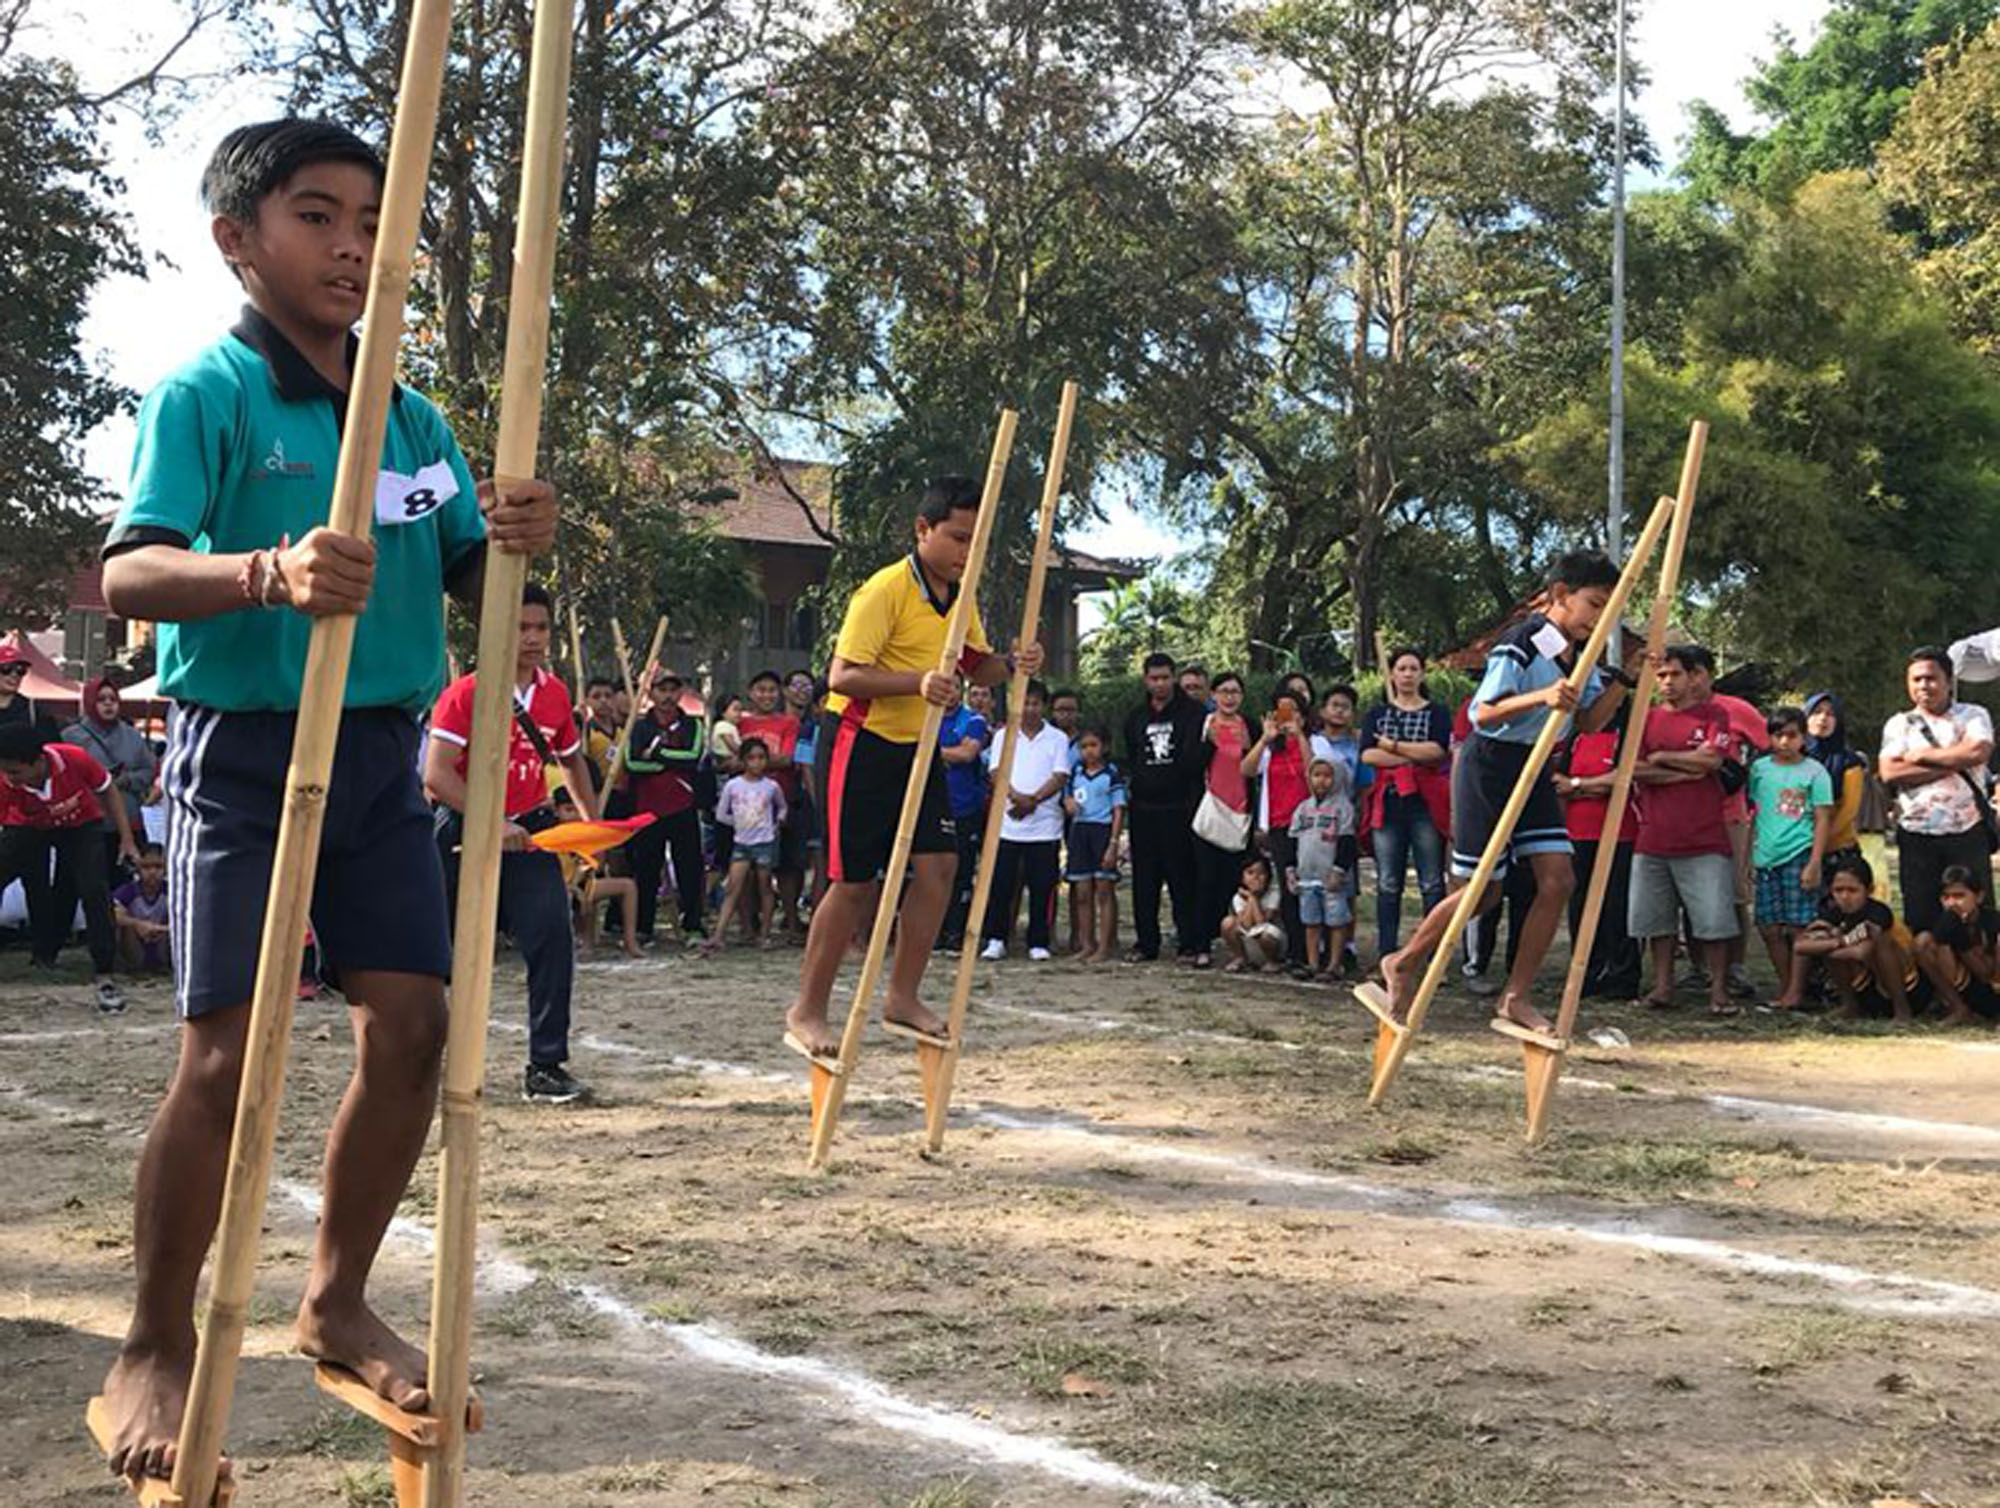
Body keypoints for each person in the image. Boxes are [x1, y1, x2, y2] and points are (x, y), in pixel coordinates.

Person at [92, 118, 559, 1486]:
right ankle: (155, 1341)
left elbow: (476, 580)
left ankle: (336, 1296)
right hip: (243, 756)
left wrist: (521, 541)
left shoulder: (412, 420)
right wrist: (264, 574)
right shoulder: (208, 396)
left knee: (415, 1029)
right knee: (229, 1062)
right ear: (238, 237)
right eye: (316, 215)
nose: (352, 243)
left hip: (380, 758)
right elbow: (130, 575)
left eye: (369, 218)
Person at [783, 477, 1040, 1060]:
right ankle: (807, 1010)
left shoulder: (962, 595)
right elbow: (842, 676)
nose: (965, 552)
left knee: (941, 865)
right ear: (923, 531)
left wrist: (1012, 663)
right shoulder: (885, 590)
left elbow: (975, 665)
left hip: (915, 750)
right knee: (854, 884)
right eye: (956, 537)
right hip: (859, 740)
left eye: (977, 542)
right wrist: (917, 683)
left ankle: (902, 995)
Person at [1378, 552, 1635, 1034]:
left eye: (1607, 609)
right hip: (1488, 766)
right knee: (1483, 892)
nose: (1599, 618)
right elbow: (1483, 713)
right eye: (1593, 604)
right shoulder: (1521, 641)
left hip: (1536, 765)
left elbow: (1586, 721)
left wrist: (1625, 679)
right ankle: (1405, 960)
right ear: (1560, 595)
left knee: (1558, 879)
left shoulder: (1583, 651)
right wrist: (1542, 696)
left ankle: (1515, 995)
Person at [428, 582, 598, 1100]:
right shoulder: (467, 693)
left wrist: (594, 825)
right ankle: (419, 1064)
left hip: (532, 833)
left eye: (540, 627)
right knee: (436, 952)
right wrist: (490, 821)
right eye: (521, 626)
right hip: (463, 831)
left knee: (552, 940)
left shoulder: (555, 694)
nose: (532, 637)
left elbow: (570, 760)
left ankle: (545, 1067)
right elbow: (436, 775)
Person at [1628, 646, 1743, 1016]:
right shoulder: (1644, 719)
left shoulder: (1715, 715)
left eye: (1674, 674)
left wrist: (1663, 758)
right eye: (1661, 675)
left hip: (1704, 837)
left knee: (1713, 919)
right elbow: (1634, 769)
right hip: (1654, 835)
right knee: (1656, 919)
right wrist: (1685, 770)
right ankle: (1664, 987)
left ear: (1693, 676)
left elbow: (1712, 760)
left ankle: (1719, 991)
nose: (1667, 682)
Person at [0, 724, 140, 1008]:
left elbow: (109, 790)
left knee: (93, 889)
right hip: (30, 827)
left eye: (15, 772)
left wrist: (127, 839)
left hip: (81, 826)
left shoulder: (74, 758)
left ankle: (104, 972)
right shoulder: (5, 783)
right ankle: (42, 955)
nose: (9, 778)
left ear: (38, 762)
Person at [1879, 647, 1995, 938]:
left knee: (1977, 919)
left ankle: (1979, 983)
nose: (1923, 686)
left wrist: (1920, 756)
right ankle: (1932, 982)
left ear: (1949, 680)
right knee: (1922, 918)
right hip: (1917, 835)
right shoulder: (1899, 724)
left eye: (1930, 678)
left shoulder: (1973, 715)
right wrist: (1953, 762)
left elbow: (1979, 751)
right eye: (1916, 679)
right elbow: (1891, 773)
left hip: (1967, 832)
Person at [1359, 649, 1451, 958]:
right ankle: (1388, 952)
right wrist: (1411, 754)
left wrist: (1395, 747)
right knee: (1387, 883)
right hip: (1389, 803)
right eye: (1402, 668)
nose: (1408, 674)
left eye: (1414, 668)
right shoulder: (1378, 715)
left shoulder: (1437, 713)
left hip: (1425, 804)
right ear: (1393, 674)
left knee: (1431, 882)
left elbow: (1437, 752)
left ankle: (1431, 954)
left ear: (1422, 674)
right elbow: (1369, 755)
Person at [1687, 652, 1767, 998]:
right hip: (1685, 815)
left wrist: (1752, 792)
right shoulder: (1666, 714)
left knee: (1735, 892)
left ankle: (1735, 967)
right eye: (1678, 673)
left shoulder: (1737, 709)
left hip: (1731, 814)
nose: (1689, 681)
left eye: (1695, 673)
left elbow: (1770, 747)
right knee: (1688, 894)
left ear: (1709, 674)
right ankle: (1697, 967)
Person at [1122, 652, 1206, 963]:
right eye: (1153, 678)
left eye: (1165, 678)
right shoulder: (1135, 717)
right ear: (1145, 679)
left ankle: (1188, 942)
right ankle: (1146, 943)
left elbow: (1196, 759)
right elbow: (1132, 755)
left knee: (1182, 878)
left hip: (1179, 807)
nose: (1159, 684)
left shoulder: (1193, 713)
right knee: (1144, 880)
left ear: (1174, 677)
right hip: (1144, 809)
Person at [980, 680, 1071, 960]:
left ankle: (1039, 941)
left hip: (1044, 825)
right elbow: (996, 772)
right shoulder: (1002, 736)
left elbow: (1059, 775)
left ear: (1043, 706)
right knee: (1001, 885)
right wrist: (1016, 797)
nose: (1029, 709)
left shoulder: (1057, 738)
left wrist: (1033, 800)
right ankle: (996, 938)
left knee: (1043, 886)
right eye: (1024, 702)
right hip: (1007, 822)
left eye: (1035, 703)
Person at [1552, 716, 1642, 999]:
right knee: (1580, 905)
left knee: (1617, 906)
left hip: (1619, 832)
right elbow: (1557, 779)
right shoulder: (1577, 737)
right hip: (1578, 833)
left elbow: (1620, 778)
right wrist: (1588, 785)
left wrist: (1578, 785)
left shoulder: (1624, 735)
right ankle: (1586, 973)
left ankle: (1622, 976)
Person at [1749, 706, 1832, 1010]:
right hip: (1766, 856)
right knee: (1769, 926)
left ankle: (1797, 991)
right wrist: (1748, 857)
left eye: (1792, 735)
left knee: (1799, 927)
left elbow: (1823, 818)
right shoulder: (1760, 770)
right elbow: (1753, 814)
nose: (1785, 741)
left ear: (1803, 737)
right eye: (1778, 735)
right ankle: (1785, 986)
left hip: (1799, 852)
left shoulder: (1814, 772)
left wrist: (1815, 861)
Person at [624, 667, 708, 944]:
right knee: (646, 869)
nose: (668, 696)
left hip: (683, 804)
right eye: (662, 690)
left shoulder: (693, 725)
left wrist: (656, 754)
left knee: (690, 869)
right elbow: (632, 763)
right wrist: (670, 762)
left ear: (681, 693)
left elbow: (692, 756)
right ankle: (644, 927)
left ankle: (693, 924)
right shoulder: (637, 727)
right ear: (651, 693)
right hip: (647, 808)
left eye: (673, 690)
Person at [1792, 854, 1917, 1024]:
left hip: (1908, 988)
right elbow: (1800, 946)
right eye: (1838, 890)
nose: (1845, 897)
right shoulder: (1834, 912)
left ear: (1869, 889)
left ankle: (1902, 1010)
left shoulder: (1878, 912)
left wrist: (1833, 943)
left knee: (1880, 942)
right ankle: (1850, 1006)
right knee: (1828, 942)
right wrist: (1836, 941)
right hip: (1867, 986)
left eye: (1852, 890)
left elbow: (1862, 952)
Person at [1242, 688, 1317, 966]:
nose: (1288, 716)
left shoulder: (1313, 742)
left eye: (1293, 710)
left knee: (1311, 888)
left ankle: (1315, 953)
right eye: (1281, 711)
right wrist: (1265, 738)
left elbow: (1315, 774)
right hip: (1279, 825)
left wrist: (1299, 736)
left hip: (1311, 826)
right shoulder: (1271, 749)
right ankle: (1296, 952)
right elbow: (1246, 769)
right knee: (1289, 888)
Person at [65, 677, 159, 881]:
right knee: (83, 883)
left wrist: (125, 780)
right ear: (90, 702)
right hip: (87, 823)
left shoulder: (133, 736)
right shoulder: (72, 737)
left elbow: (149, 770)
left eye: (113, 699)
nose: (108, 704)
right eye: (101, 699)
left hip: (127, 821)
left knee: (121, 884)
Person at [1191, 671, 1253, 967]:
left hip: (1242, 813)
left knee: (1232, 881)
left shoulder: (1250, 726)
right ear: (1213, 694)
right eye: (1224, 691)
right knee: (1204, 881)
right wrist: (1209, 743)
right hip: (1210, 811)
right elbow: (1190, 766)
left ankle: (1233, 944)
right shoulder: (1204, 725)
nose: (1229, 697)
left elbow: (1257, 767)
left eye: (1235, 691)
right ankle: (1200, 944)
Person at [741, 668, 807, 940]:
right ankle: (748, 925)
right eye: (761, 690)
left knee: (788, 866)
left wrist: (748, 762)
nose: (766, 695)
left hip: (782, 798)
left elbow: (788, 758)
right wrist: (768, 761)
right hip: (746, 805)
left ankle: (791, 922)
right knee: (746, 866)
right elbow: (726, 759)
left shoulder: (789, 723)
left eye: (771, 690)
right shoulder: (740, 724)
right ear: (750, 693)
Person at [705, 736, 787, 952]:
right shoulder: (733, 785)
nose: (756, 763)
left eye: (761, 758)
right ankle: (719, 934)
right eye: (751, 758)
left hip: (764, 841)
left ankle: (765, 934)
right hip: (742, 841)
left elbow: (782, 807)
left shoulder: (771, 786)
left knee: (765, 887)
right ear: (743, 760)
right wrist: (741, 822)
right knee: (734, 887)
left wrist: (776, 822)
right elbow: (722, 814)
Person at [548, 783, 640, 957]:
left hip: (581, 883)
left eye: (577, 810)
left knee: (626, 886)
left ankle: (630, 941)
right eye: (568, 810)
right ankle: (585, 941)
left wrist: (595, 843)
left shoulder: (586, 831)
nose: (574, 815)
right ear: (557, 810)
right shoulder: (552, 834)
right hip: (557, 886)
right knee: (582, 893)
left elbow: (596, 865)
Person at [1062, 726, 1126, 962]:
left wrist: (1113, 842)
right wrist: (1068, 802)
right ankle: (1086, 943)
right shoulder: (1076, 773)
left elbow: (1118, 809)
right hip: (1080, 832)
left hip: (1101, 830)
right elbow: (1067, 796)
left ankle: (1105, 945)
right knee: (1082, 891)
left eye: (1094, 745)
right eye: (1084, 746)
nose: (1089, 751)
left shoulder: (1111, 774)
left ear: (1105, 747)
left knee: (1104, 890)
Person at [936, 679, 991, 952]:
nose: (949, 693)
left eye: (955, 687)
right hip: (931, 805)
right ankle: (934, 930)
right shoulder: (926, 715)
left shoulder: (972, 720)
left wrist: (929, 752)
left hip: (964, 807)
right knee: (931, 873)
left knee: (962, 871)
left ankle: (956, 932)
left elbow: (968, 753)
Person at [1288, 757, 1354, 979]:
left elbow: (1347, 843)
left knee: (1336, 921)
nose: (1321, 781)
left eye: (1328, 776)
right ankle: (1313, 963)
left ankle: (1334, 964)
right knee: (1311, 921)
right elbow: (1292, 840)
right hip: (1306, 876)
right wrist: (1290, 870)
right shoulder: (1302, 808)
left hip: (1331, 878)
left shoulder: (1342, 808)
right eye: (1317, 775)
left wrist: (1339, 870)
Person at [1915, 865, 2000, 1027]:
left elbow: (1985, 973)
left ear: (1979, 896)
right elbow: (1944, 965)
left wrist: (1961, 940)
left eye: (1959, 896)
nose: (1952, 903)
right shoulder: (1942, 921)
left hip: (1992, 989)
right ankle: (1957, 1008)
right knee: (1924, 941)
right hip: (1961, 987)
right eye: (1946, 897)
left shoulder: (1992, 921)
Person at [1803, 692, 1867, 877]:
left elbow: (1848, 811)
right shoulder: (1794, 759)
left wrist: (1819, 843)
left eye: (1830, 714)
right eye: (1816, 712)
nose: (1823, 718)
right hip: (1796, 848)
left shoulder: (1849, 761)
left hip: (1838, 850)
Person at [114, 841, 174, 974]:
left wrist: (162, 929)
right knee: (126, 927)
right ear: (137, 869)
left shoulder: (172, 892)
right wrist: (138, 925)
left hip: (162, 943)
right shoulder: (128, 891)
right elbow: (114, 914)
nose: (152, 872)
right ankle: (134, 966)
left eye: (158, 867)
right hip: (135, 944)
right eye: (146, 867)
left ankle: (166, 965)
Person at [1221, 853, 1284, 972]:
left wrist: (1253, 897)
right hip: (1249, 941)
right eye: (1250, 873)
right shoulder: (1238, 897)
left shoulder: (1273, 895)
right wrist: (1251, 898)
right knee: (1227, 922)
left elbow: (1262, 923)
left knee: (1265, 935)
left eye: (1261, 873)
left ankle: (1272, 961)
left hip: (1270, 942)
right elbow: (1246, 924)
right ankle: (1240, 958)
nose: (1256, 877)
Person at [0, 644, 36, 729]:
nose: (14, 675)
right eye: (6, 669)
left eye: (21, 670)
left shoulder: (33, 710)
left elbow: (51, 741)